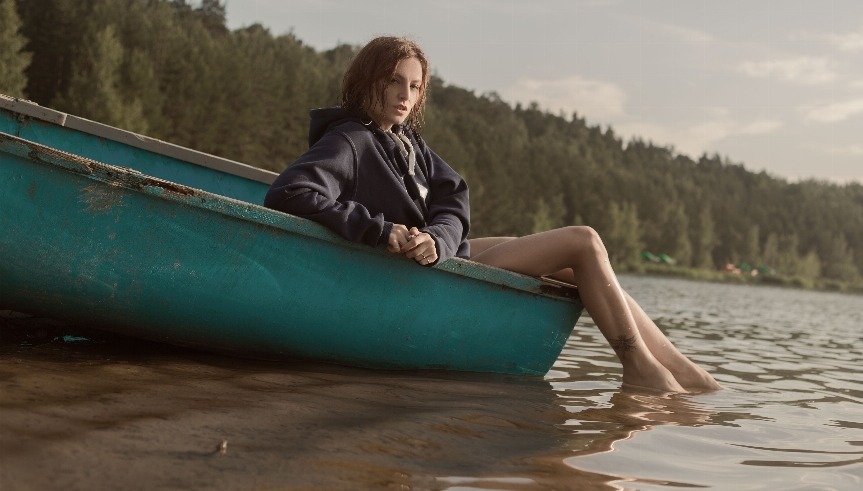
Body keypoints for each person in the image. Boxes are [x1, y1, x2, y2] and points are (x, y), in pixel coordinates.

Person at [264, 36, 720, 393]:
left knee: (571, 263)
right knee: (584, 241)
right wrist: (380, 231)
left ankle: (681, 368)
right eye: (394, 81)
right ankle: (639, 366)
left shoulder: (409, 144)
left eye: (415, 85)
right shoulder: (350, 141)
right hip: (418, 272)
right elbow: (290, 193)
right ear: (368, 82)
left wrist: (439, 240)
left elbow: (453, 200)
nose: (406, 94)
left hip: (439, 255)